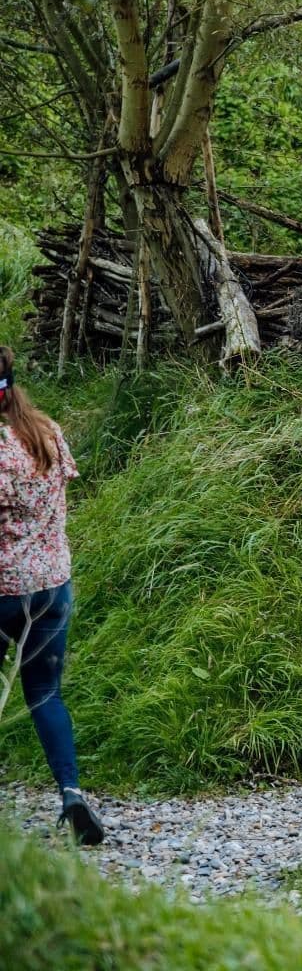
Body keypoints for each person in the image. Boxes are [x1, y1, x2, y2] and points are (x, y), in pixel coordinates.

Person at [0, 346, 105, 844]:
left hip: (2, 589)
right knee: (45, 694)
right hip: (52, 586)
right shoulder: (45, 431)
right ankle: (72, 794)